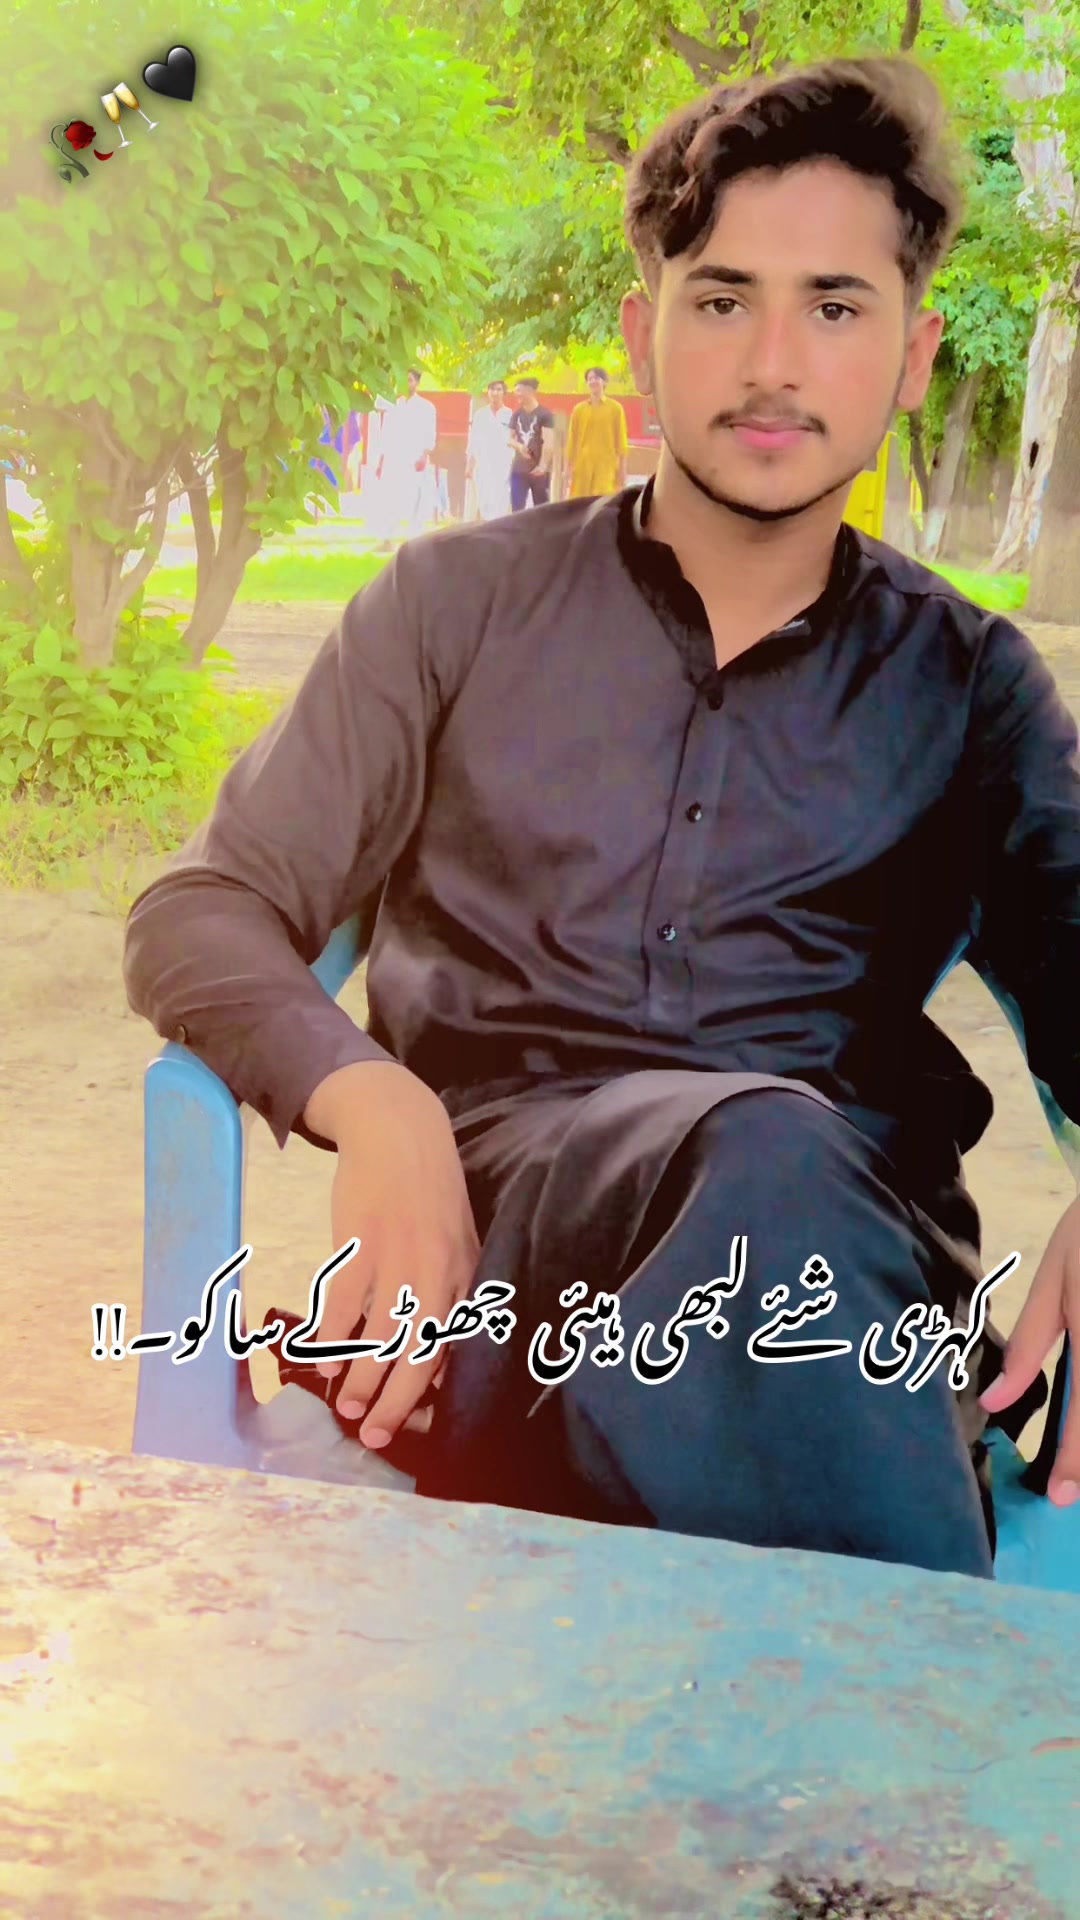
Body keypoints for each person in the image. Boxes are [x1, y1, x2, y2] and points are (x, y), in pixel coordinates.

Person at [124, 55, 1080, 1582]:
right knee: (769, 1164)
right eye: (723, 298)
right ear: (645, 335)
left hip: (833, 1289)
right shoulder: (452, 610)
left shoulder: (970, 688)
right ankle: (891, 1712)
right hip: (499, 1289)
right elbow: (204, 909)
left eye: (836, 307)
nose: (774, 359)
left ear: (913, 355)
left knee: (776, 1166)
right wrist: (379, 1104)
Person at [370, 367, 438, 549]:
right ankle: (386, 539)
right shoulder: (393, 404)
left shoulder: (426, 407)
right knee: (390, 499)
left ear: (417, 383)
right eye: (404, 380)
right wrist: (381, 461)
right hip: (394, 457)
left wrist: (424, 455)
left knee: (415, 500)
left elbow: (430, 434)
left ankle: (414, 542)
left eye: (410, 380)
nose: (407, 384)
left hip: (415, 459)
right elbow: (386, 433)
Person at [565, 367, 630, 499]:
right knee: (580, 504)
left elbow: (621, 443)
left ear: (604, 382)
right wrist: (568, 469)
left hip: (606, 467)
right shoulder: (579, 410)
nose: (593, 381)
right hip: (582, 467)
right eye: (589, 379)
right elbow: (572, 441)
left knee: (602, 503)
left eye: (596, 378)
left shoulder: (615, 409)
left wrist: (622, 473)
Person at [465, 379, 514, 521]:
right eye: (492, 389)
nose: (495, 393)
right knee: (484, 498)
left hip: (503, 463)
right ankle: (487, 524)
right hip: (483, 463)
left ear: (504, 393)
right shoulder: (480, 414)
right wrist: (470, 464)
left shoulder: (510, 415)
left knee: (501, 498)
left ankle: (499, 526)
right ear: (488, 392)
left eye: (498, 389)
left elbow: (514, 440)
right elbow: (473, 441)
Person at [508, 377, 555, 511]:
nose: (517, 394)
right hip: (518, 469)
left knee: (541, 510)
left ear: (530, 391)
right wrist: (519, 446)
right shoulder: (516, 415)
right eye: (515, 391)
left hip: (539, 470)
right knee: (517, 509)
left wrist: (542, 466)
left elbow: (549, 442)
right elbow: (509, 439)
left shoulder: (545, 414)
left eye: (519, 391)